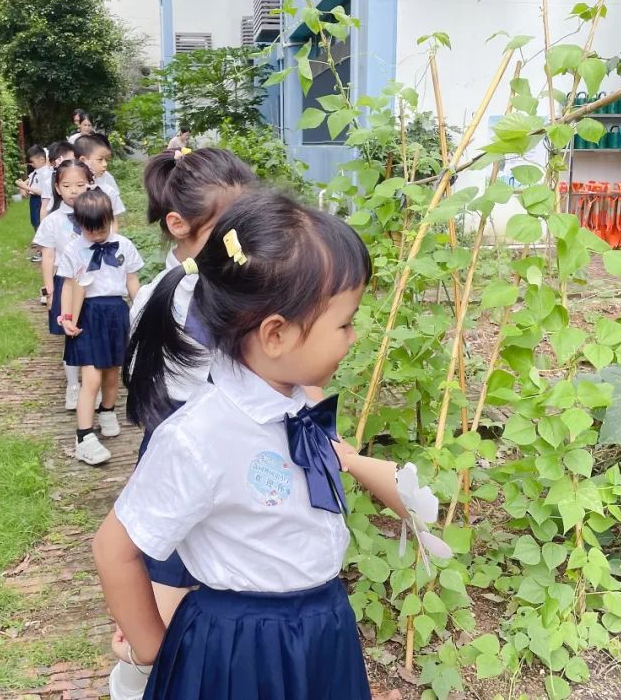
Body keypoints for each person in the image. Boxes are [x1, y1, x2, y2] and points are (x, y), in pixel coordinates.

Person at [93, 189, 443, 700]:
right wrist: (151, 647)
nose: (352, 336)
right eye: (343, 323)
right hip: (240, 648)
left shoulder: (300, 404)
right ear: (275, 334)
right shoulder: (200, 436)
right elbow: (114, 546)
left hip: (321, 629)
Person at [104, 148, 257, 699]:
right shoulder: (185, 301)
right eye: (231, 228)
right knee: (160, 627)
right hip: (187, 468)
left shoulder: (210, 293)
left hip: (199, 465)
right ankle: (135, 680)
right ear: (179, 224)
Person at [59, 190, 144, 465]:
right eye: (90, 229)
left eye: (102, 228)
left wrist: (141, 308)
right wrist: (67, 316)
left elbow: (132, 280)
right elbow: (69, 285)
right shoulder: (73, 249)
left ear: (110, 219)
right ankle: (83, 435)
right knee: (91, 378)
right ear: (79, 224)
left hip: (116, 312)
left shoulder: (124, 245)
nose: (97, 234)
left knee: (112, 373)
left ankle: (107, 410)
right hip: (88, 314)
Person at [33, 159, 94, 412]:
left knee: (91, 334)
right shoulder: (52, 221)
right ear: (57, 188)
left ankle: (93, 385)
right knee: (70, 336)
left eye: (80, 184)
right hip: (65, 282)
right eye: (67, 185)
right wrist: (49, 291)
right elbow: (48, 257)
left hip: (94, 284)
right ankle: (73, 386)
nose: (73, 190)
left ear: (90, 184)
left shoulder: (97, 213)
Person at [76, 133, 127, 230]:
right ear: (83, 160)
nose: (105, 164)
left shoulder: (108, 181)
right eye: (100, 160)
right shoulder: (71, 184)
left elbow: (114, 218)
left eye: (106, 160)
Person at [15, 145, 52, 266]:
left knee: (40, 223)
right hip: (33, 200)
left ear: (41, 159)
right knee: (35, 222)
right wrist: (22, 187)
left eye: (32, 161)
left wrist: (26, 187)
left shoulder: (46, 173)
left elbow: (43, 192)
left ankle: (42, 250)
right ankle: (40, 248)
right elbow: (27, 187)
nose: (31, 164)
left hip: (41, 200)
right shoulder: (35, 173)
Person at [41, 141, 76, 221]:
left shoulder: (80, 179)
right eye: (69, 161)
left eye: (75, 160)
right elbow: (44, 207)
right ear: (55, 163)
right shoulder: (49, 182)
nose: (73, 164)